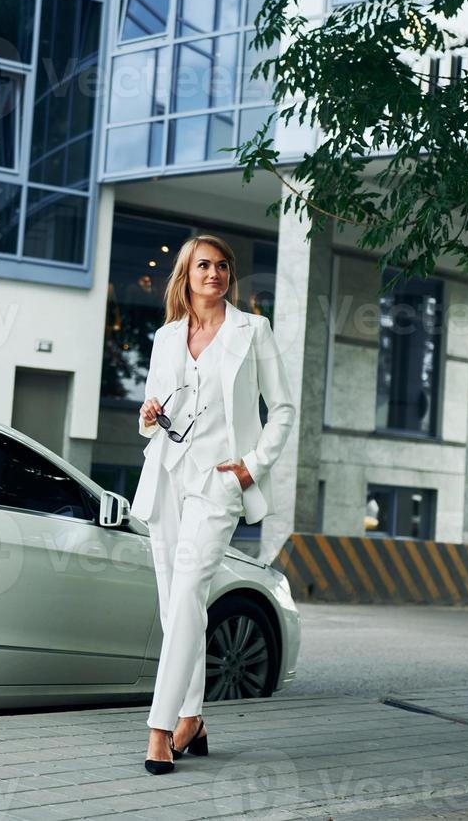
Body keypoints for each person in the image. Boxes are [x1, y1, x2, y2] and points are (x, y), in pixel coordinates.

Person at [131, 234, 296, 774]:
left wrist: (252, 465)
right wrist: (150, 415)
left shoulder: (254, 331)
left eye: (222, 265)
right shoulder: (166, 337)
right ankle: (193, 717)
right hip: (167, 478)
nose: (214, 273)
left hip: (219, 483)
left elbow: (284, 409)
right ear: (187, 273)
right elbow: (149, 418)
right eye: (204, 265)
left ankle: (160, 728)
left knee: (185, 597)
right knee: (175, 603)